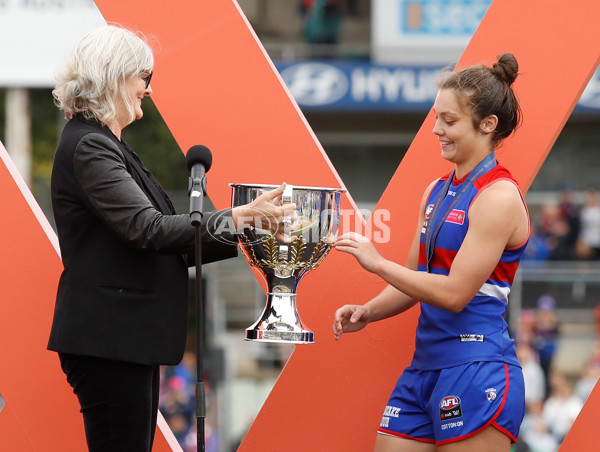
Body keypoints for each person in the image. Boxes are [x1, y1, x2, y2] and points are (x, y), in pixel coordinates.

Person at [47, 25, 293, 452]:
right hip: (110, 340)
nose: (148, 89)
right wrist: (236, 218)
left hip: (122, 339)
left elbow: (167, 236)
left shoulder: (105, 144)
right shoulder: (91, 146)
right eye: (143, 77)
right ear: (113, 76)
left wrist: (248, 225)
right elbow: (148, 229)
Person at [333, 53, 529, 451]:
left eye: (450, 121)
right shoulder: (435, 190)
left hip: (477, 369)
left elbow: (454, 294)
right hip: (424, 370)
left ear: (488, 125)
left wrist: (376, 264)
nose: (437, 129)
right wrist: (368, 311)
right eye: (436, 118)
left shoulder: (498, 197)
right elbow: (416, 279)